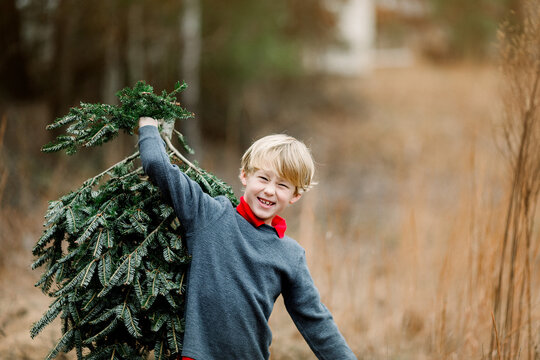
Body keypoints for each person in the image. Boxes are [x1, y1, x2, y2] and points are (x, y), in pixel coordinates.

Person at [138, 117, 356, 360]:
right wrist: (148, 126)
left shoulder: (290, 255)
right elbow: (157, 164)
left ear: (295, 196)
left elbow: (316, 321)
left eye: (283, 185)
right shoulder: (208, 215)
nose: (270, 190)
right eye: (263, 178)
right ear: (244, 176)